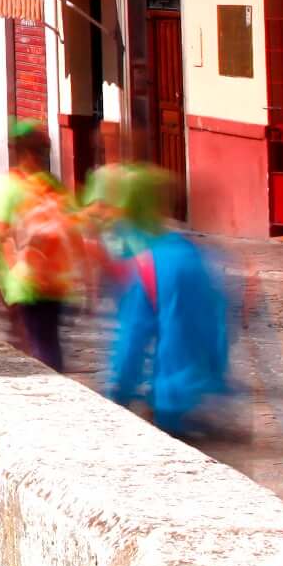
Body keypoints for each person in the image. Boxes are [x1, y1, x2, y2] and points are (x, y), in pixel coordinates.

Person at [97, 167, 235, 435]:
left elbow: (132, 342)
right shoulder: (197, 255)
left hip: (171, 402)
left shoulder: (148, 265)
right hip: (212, 397)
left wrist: (118, 394)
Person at [0, 123, 88, 366]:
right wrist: (84, 275)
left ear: (20, 153)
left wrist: (8, 275)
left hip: (26, 279)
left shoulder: (10, 186)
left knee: (34, 340)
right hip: (56, 280)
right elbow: (73, 230)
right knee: (48, 338)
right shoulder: (53, 185)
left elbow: (1, 233)